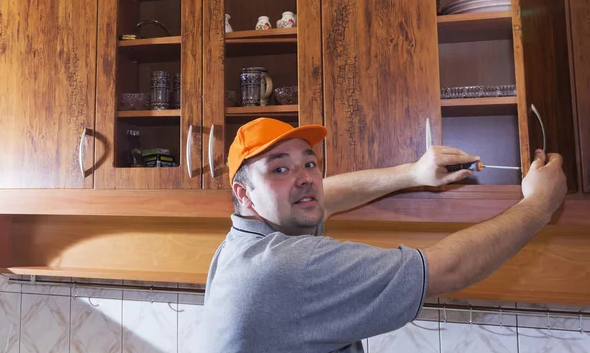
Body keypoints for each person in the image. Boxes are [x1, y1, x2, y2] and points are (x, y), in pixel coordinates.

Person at [191, 118, 567, 352]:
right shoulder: (288, 267)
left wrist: (414, 173)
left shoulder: (244, 240)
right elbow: (446, 269)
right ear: (244, 194)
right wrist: (539, 204)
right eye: (279, 170)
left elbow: (327, 193)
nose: (305, 177)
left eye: (309, 162)